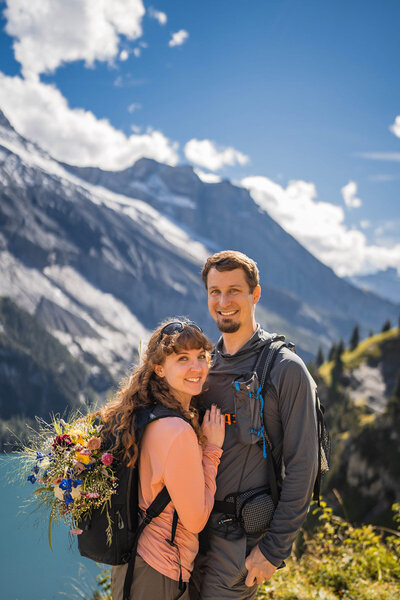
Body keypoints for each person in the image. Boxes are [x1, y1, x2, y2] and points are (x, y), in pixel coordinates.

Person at [190, 251, 319, 600]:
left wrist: (273, 551)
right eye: (214, 291)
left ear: (255, 294)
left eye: (234, 290)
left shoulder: (285, 369)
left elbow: (303, 465)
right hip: (187, 540)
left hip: (238, 550)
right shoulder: (202, 368)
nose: (223, 301)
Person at [98, 319, 225, 600]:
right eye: (183, 359)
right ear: (159, 368)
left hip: (135, 559)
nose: (197, 368)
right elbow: (195, 520)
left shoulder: (145, 413)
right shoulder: (177, 431)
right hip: (159, 569)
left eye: (201, 357)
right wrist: (213, 450)